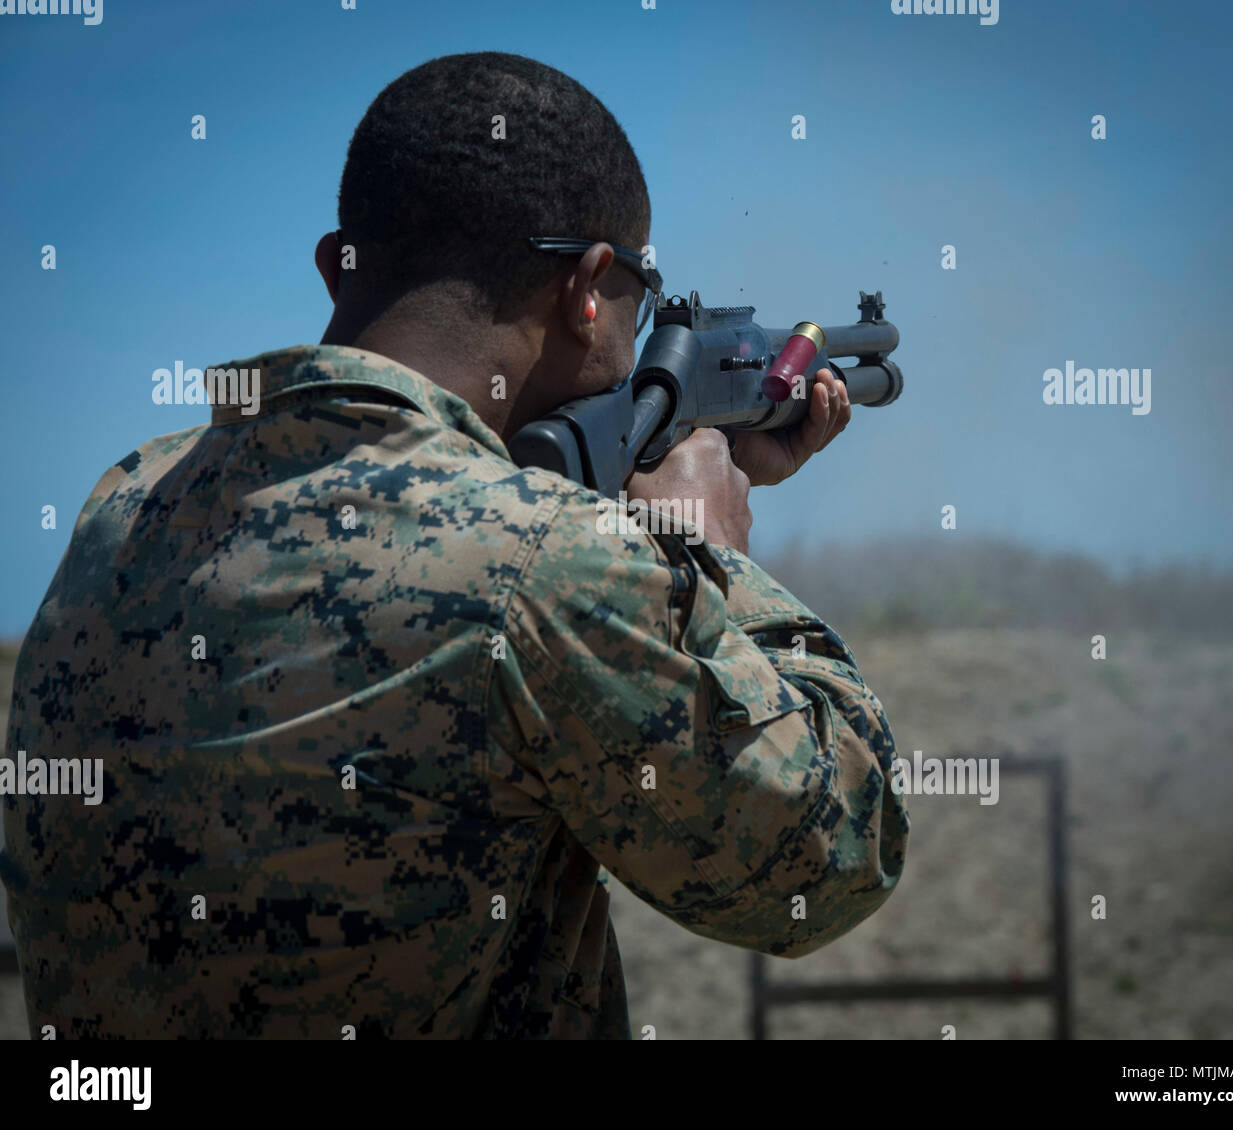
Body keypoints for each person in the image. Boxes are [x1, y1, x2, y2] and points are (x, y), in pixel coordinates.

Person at [0, 51, 908, 1039]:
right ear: (588, 289)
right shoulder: (547, 563)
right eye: (641, 301)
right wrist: (713, 558)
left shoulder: (122, 503)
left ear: (333, 266)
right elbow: (826, 864)